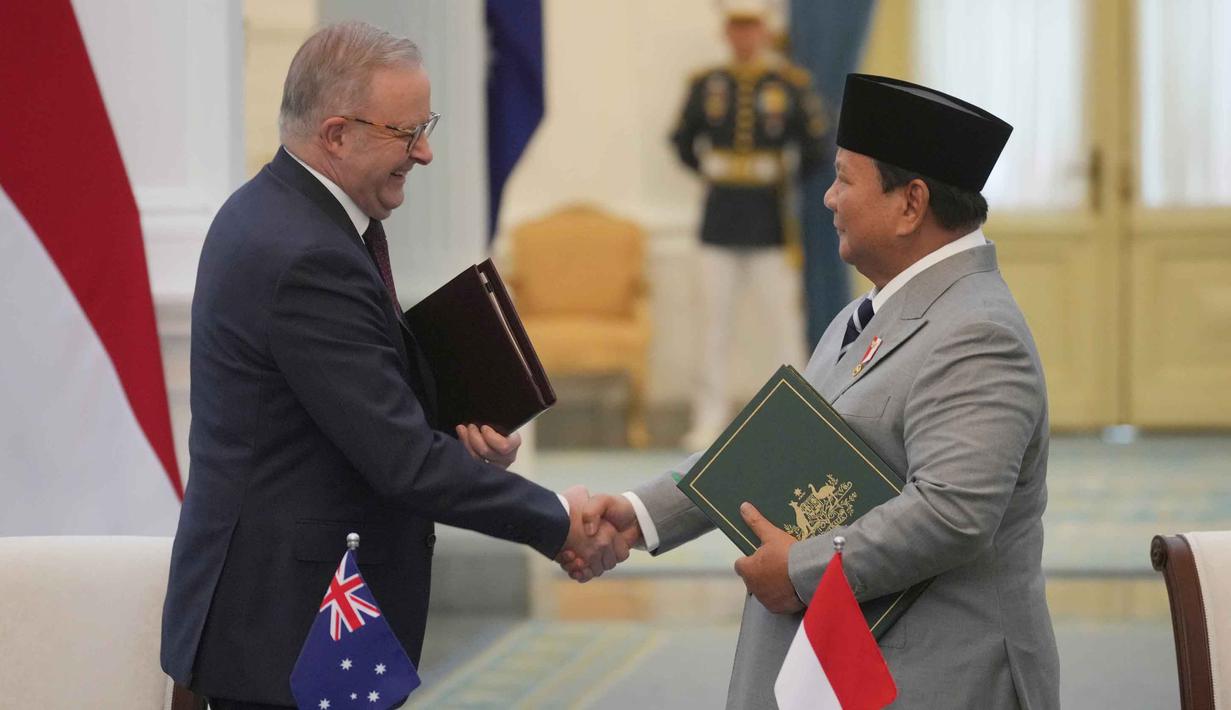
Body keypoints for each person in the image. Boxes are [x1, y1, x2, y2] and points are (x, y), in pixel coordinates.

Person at [160, 22, 623, 709]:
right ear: (338, 133)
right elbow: (399, 460)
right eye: (406, 134)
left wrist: (443, 427)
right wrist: (556, 520)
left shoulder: (277, 212)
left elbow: (329, 409)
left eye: (423, 126)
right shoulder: (305, 255)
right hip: (284, 637)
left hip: (290, 622)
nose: (426, 152)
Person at [574, 73, 1061, 708]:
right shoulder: (864, 314)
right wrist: (639, 516)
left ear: (911, 204)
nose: (828, 199)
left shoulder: (977, 331)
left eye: (844, 180)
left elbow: (954, 514)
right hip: (848, 662)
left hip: (939, 675)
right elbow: (773, 450)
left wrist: (801, 569)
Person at [672, 1, 830, 450]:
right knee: (712, 326)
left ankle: (799, 416)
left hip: (770, 219)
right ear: (727, 32)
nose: (744, 37)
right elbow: (683, 141)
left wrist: (782, 177)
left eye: (752, 27)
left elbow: (816, 146)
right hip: (718, 218)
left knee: (782, 324)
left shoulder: (788, 85)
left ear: (764, 32)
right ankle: (708, 420)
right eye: (736, 28)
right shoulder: (707, 85)